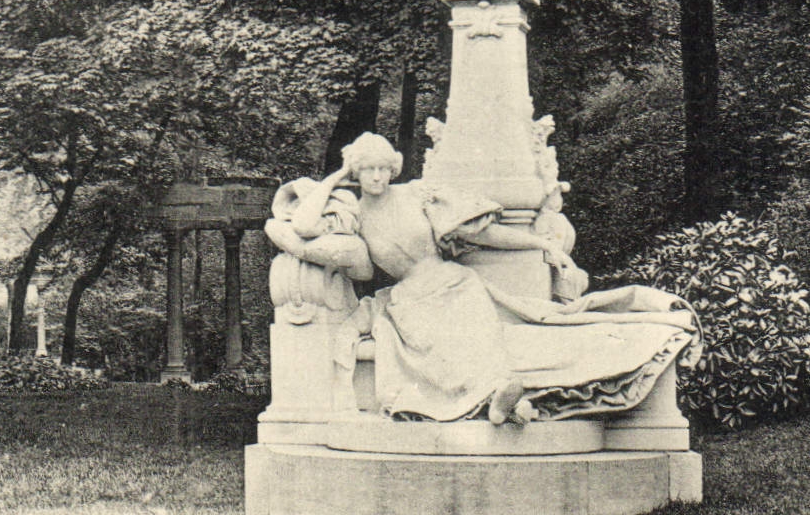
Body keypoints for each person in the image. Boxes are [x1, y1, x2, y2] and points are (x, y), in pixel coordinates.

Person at [268, 133, 697, 424]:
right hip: (408, 298)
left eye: (383, 169)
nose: (377, 177)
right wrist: (338, 175)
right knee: (435, 340)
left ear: (393, 170)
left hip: (453, 282)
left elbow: (483, 234)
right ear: (357, 174)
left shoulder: (418, 195)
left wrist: (539, 245)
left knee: (482, 331)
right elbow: (304, 226)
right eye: (368, 170)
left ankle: (500, 397)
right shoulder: (352, 210)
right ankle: (499, 400)